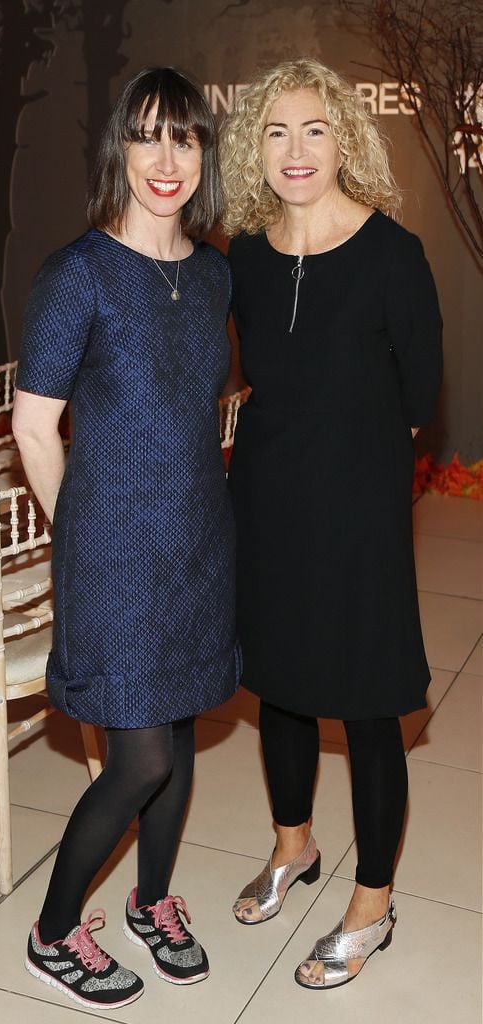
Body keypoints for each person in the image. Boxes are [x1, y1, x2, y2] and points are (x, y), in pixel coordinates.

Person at [13, 66, 240, 1010]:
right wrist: (87, 538)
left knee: (178, 737)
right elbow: (34, 426)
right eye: (145, 136)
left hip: (198, 543)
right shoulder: (78, 273)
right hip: (111, 554)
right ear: (120, 148)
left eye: (183, 139)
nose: (164, 159)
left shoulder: (215, 271)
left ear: (201, 155)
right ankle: (53, 930)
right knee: (140, 755)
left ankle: (151, 902)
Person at [219, 58, 442, 990]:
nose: (296, 150)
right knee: (279, 685)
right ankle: (292, 845)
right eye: (276, 131)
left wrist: (358, 473)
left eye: (314, 129)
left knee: (366, 697)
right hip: (265, 500)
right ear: (253, 149)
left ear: (343, 138)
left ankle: (373, 900)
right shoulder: (241, 256)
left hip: (355, 510)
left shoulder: (393, 253)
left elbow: (421, 395)